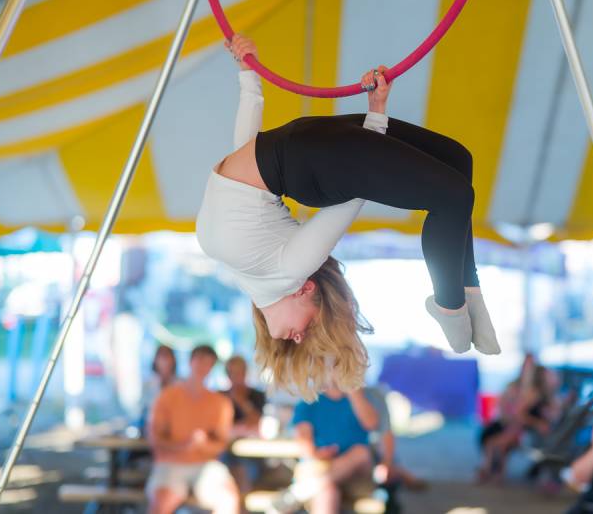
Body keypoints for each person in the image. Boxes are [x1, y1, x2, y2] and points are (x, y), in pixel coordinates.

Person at [196, 35, 501, 399]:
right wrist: (376, 118)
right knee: (456, 178)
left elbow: (243, 154)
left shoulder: (263, 269)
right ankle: (464, 293)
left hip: (312, 148)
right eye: (308, 332)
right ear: (308, 289)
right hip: (320, 154)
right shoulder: (287, 271)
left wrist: (249, 76)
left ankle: (451, 303)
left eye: (296, 338)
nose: (297, 336)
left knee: (455, 179)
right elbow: (354, 191)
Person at [146, 345, 238, 514]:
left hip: (206, 465)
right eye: (200, 361)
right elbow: (154, 438)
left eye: (208, 363)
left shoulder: (220, 403)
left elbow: (221, 442)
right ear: (190, 362)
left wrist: (202, 445)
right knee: (161, 503)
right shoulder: (167, 396)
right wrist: (183, 446)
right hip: (170, 464)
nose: (203, 367)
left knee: (229, 500)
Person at [270, 385, 379, 514]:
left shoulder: (361, 398)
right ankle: (309, 488)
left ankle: (299, 492)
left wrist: (355, 394)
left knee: (361, 452)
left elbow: (372, 424)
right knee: (326, 492)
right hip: (320, 467)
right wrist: (317, 454)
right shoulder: (310, 400)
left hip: (356, 475)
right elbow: (304, 441)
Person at [221, 355, 267, 498]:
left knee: (244, 471)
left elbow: (256, 423)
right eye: (232, 373)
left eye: (240, 372)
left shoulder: (257, 395)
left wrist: (240, 401)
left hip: (253, 454)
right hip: (227, 452)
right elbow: (221, 427)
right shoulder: (220, 396)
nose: (237, 377)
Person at [139, 345, 179, 431]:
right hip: (152, 429)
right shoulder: (148, 384)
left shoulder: (180, 384)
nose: (164, 361)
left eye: (167, 356)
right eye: (161, 356)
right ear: (155, 360)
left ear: (173, 359)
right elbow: (144, 410)